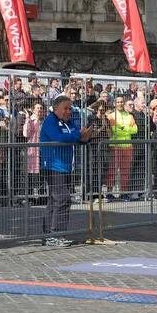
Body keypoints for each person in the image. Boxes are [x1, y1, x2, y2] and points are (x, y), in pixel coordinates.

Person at [39, 96, 92, 247]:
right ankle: (57, 234)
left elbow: (75, 137)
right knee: (63, 199)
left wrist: (86, 137)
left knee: (54, 201)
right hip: (52, 166)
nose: (69, 111)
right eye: (66, 108)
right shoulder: (50, 121)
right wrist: (79, 135)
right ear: (56, 109)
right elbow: (59, 137)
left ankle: (48, 235)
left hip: (65, 167)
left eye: (70, 108)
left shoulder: (68, 122)